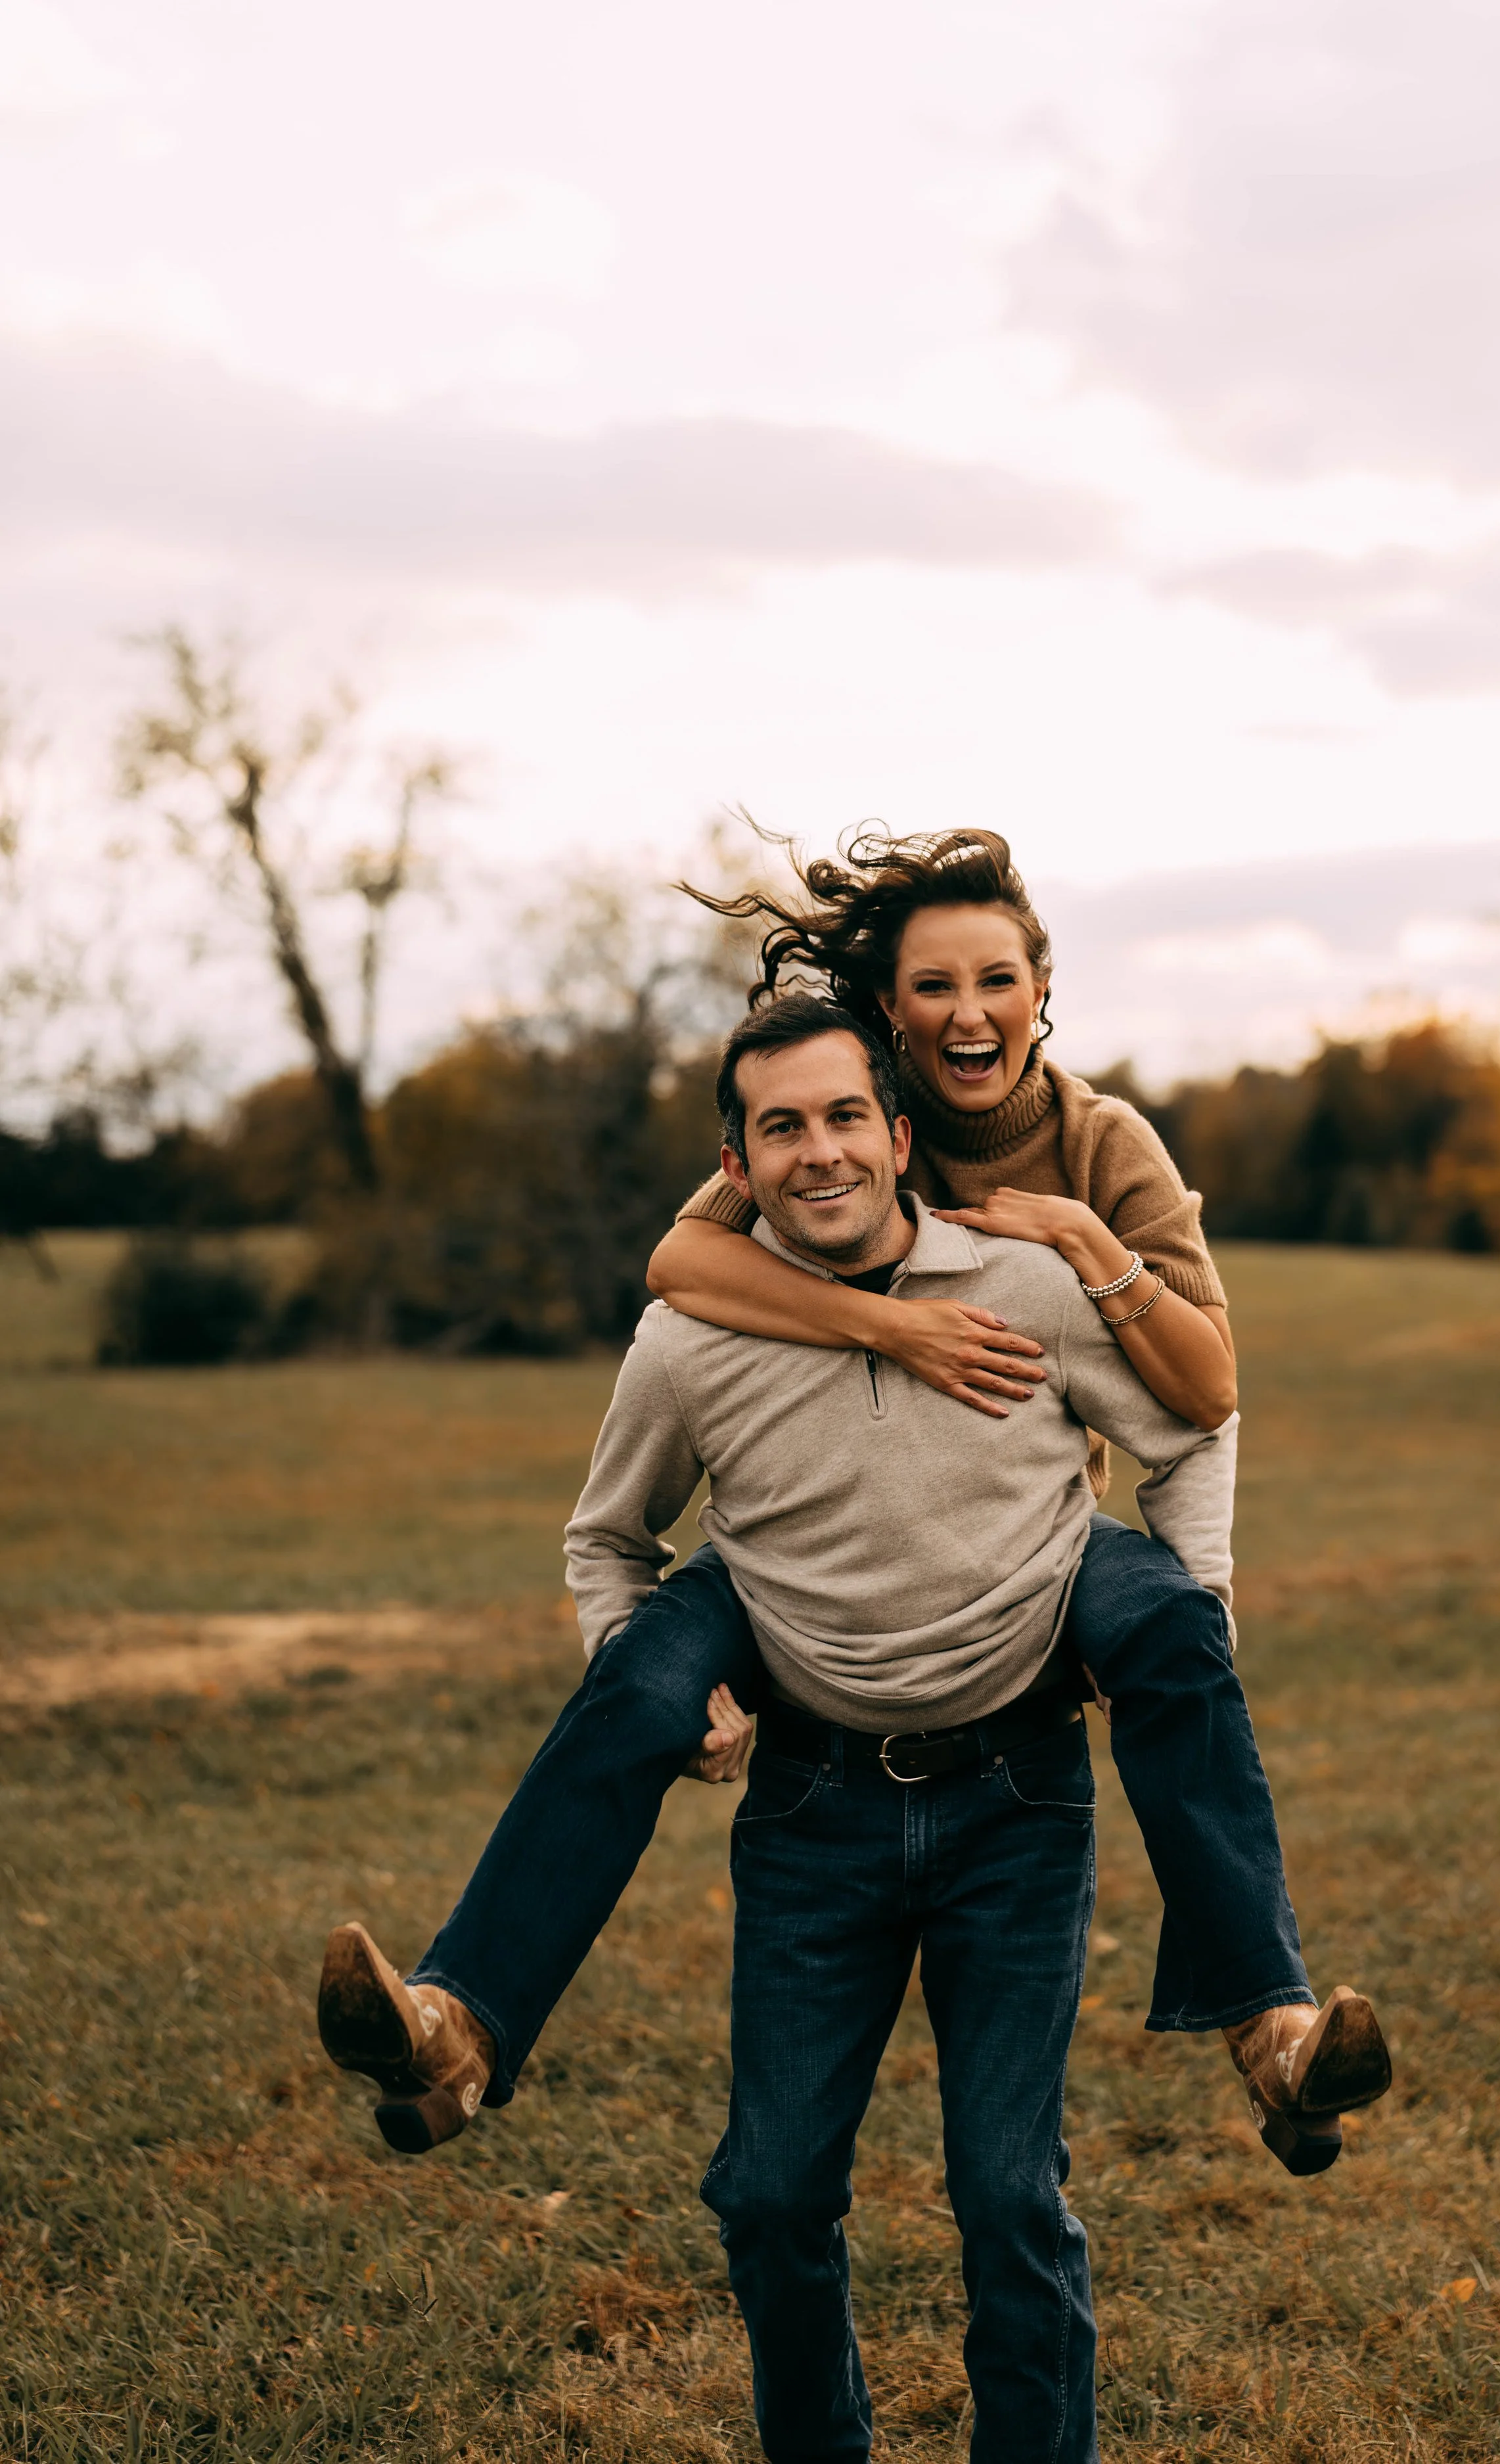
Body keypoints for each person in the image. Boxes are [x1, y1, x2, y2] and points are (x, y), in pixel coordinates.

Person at [317, 831, 1381, 2178]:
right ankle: (453, 2024)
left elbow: (1203, 1396)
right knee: (641, 1684)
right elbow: (680, 1259)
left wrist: (1099, 1261)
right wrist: (890, 1332)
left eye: (994, 979)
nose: (965, 1012)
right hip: (803, 1530)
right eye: (931, 985)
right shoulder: (834, 1106)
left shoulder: (1105, 1147)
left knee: (1174, 1635)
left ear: (1038, 988)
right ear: (890, 1011)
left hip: (1033, 1525)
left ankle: (1272, 2033)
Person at [571, 997, 1386, 2461]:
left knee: (1010, 2196)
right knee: (766, 2196)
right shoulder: (692, 1332)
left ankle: (1266, 2023)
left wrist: (1182, 1603)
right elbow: (605, 1535)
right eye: (779, 1128)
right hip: (813, 1809)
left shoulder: (1040, 1249)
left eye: (840, 1119)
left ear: (897, 1136)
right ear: (736, 1163)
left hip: (1012, 1798)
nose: (816, 1152)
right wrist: (654, 1670)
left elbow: (1196, 1411)